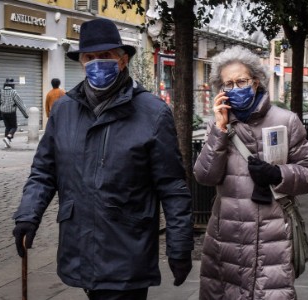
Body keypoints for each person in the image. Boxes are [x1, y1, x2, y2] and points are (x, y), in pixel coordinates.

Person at [12, 19, 193, 300]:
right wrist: (27, 216)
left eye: (106, 56)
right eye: (90, 57)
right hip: (79, 245)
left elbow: (172, 187)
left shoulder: (152, 113)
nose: (97, 63)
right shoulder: (64, 111)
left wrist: (179, 247)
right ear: (82, 62)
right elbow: (44, 172)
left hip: (127, 250)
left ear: (122, 61)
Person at [193, 46, 308, 300]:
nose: (236, 87)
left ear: (256, 81)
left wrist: (277, 174)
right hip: (226, 235)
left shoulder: (285, 120)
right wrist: (219, 130)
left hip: (271, 234)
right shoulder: (218, 125)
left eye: (241, 81)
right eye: (229, 83)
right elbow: (205, 176)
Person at [0, 78, 28, 148]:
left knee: (7, 127)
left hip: (3, 112)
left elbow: (0, 98)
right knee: (14, 126)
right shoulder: (13, 92)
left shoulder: (1, 91)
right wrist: (25, 114)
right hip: (11, 112)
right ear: (12, 85)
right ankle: (8, 137)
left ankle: (6, 143)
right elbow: (19, 103)